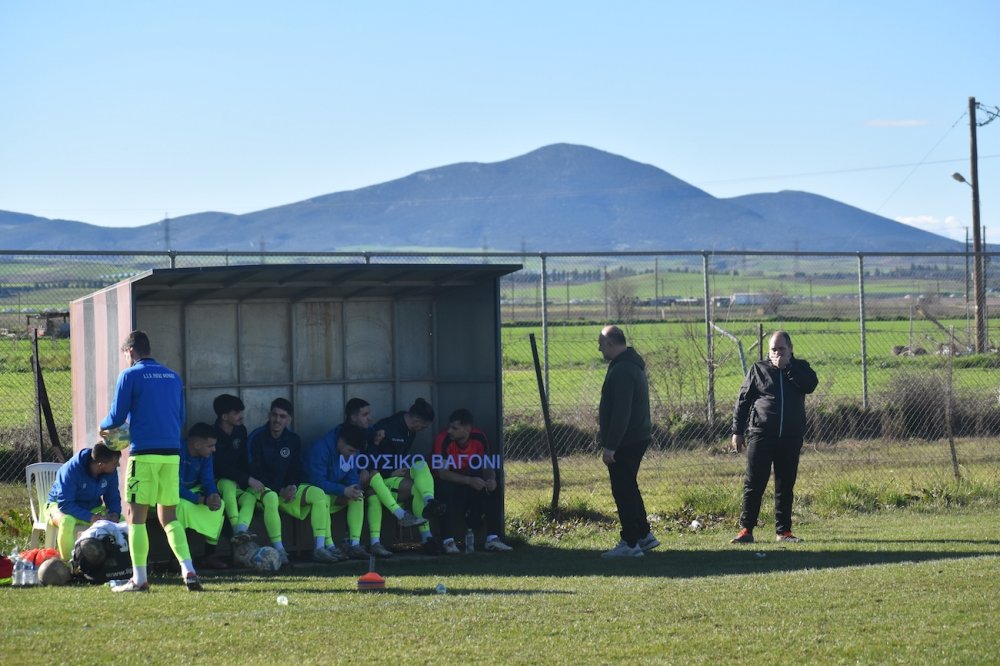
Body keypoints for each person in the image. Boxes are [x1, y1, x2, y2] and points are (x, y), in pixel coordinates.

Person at [99, 330, 203, 592]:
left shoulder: (130, 375)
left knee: (136, 516)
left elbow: (116, 417)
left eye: (125, 355)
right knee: (169, 517)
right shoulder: (173, 376)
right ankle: (189, 570)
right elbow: (181, 417)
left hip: (144, 453)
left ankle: (139, 579)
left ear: (130, 351)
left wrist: (103, 428)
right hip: (172, 454)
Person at [309, 398, 425, 560]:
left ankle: (356, 544)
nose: (370, 418)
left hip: (351, 486)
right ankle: (329, 546)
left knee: (363, 492)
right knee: (369, 477)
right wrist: (345, 488)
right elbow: (317, 481)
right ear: (353, 417)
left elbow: (356, 467)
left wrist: (354, 486)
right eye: (365, 414)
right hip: (322, 492)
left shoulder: (368, 434)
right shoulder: (326, 446)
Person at [731, 330, 818, 544]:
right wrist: (737, 431)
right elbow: (743, 401)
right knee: (754, 483)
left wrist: (788, 368)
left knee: (785, 485)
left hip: (790, 437)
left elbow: (810, 385)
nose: (777, 353)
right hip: (761, 435)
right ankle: (746, 530)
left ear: (790, 349)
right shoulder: (758, 369)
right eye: (773, 349)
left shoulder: (800, 368)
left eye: (781, 349)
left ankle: (783, 531)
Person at [247, 398, 340, 565]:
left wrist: (293, 486)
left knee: (319, 495)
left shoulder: (293, 439)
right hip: (262, 489)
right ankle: (279, 550)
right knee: (272, 497)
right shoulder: (257, 437)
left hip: (285, 491)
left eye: (282, 416)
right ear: (269, 415)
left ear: (289, 420)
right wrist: (279, 489)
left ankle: (320, 549)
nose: (277, 420)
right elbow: (255, 471)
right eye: (274, 415)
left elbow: (296, 468)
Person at [597, 325, 658, 558]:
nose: (600, 349)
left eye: (601, 344)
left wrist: (611, 445)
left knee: (622, 489)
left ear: (610, 344)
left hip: (626, 440)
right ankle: (643, 535)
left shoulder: (623, 370)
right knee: (629, 486)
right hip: (635, 436)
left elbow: (621, 411)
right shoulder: (629, 365)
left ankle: (630, 542)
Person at [370, 398, 446, 554]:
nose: (422, 430)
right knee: (416, 487)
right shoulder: (385, 427)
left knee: (420, 464)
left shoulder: (410, 431)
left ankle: (429, 501)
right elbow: (368, 461)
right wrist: (390, 472)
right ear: (416, 420)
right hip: (382, 479)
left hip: (398, 475)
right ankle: (427, 537)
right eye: (423, 426)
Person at [431, 408, 512, 554]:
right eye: (449, 427)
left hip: (471, 482)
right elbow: (443, 473)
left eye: (454, 428)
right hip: (453, 482)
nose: (449, 431)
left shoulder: (479, 438)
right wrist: (468, 480)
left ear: (467, 429)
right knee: (443, 488)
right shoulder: (443, 439)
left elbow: (486, 466)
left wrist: (491, 478)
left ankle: (492, 539)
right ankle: (448, 541)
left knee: (494, 487)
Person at [46, 442, 122, 560]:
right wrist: (90, 517)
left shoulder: (110, 471)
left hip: (90, 507)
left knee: (121, 520)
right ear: (101, 465)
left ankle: (118, 562)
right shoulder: (70, 470)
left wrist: (115, 514)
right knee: (67, 522)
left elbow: (113, 497)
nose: (118, 464)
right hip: (58, 506)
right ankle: (69, 564)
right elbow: (65, 504)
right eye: (115, 462)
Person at [176, 422, 228, 570]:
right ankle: (177, 558)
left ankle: (209, 555)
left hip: (193, 491)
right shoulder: (177, 451)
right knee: (181, 507)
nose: (214, 449)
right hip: (172, 493)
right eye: (210, 446)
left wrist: (213, 495)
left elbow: (208, 480)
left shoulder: (206, 456)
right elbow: (174, 487)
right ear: (197, 445)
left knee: (220, 505)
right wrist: (200, 500)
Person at [211, 394, 259, 544]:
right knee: (228, 484)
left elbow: (243, 459)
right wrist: (246, 478)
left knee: (250, 498)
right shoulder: (212, 434)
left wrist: (244, 479)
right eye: (236, 413)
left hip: (237, 482)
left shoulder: (241, 430)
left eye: (241, 412)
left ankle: (242, 529)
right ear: (224, 416)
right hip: (217, 483)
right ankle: (236, 530)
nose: (241, 416)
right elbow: (220, 467)